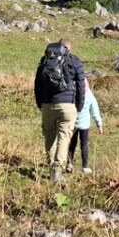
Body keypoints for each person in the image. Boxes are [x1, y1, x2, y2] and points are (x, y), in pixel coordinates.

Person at [33, 38, 85, 182]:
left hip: (47, 105)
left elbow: (37, 83)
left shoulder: (45, 60)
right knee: (64, 137)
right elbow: (81, 85)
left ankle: (51, 168)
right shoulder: (74, 60)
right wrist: (79, 106)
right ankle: (57, 171)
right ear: (70, 48)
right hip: (68, 105)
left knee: (49, 136)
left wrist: (40, 103)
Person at [66, 83, 103, 173]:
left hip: (73, 124)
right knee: (84, 145)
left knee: (71, 144)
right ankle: (85, 166)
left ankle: (69, 164)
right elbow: (95, 111)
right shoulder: (90, 96)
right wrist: (99, 124)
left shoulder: (73, 93)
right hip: (84, 125)